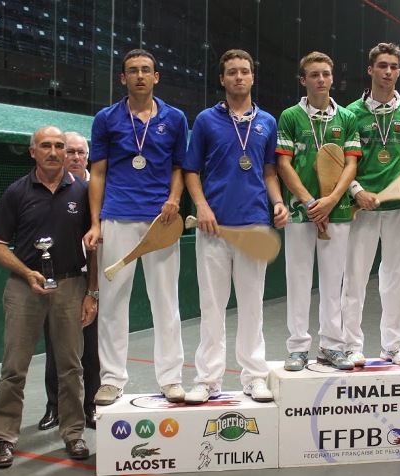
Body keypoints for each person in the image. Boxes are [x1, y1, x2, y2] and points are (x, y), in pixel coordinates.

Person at [183, 49, 288, 404]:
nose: (239, 77)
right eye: (232, 72)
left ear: (252, 77)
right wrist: (202, 207)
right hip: (212, 229)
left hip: (254, 226)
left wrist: (277, 202)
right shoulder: (206, 121)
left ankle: (254, 376)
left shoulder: (267, 123)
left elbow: (270, 171)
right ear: (223, 79)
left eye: (245, 71)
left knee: (252, 305)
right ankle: (208, 380)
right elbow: (191, 171)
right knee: (211, 306)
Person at [83, 49, 188, 405]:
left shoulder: (175, 119)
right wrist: (96, 222)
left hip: (161, 221)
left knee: (166, 302)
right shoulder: (106, 118)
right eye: (132, 70)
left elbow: (179, 168)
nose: (140, 75)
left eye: (146, 70)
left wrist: (174, 199)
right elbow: (97, 173)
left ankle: (171, 378)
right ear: (123, 78)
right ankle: (111, 379)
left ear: (156, 76)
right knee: (113, 302)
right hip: (117, 217)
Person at [0, 126, 96, 467]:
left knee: (71, 368)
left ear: (68, 152)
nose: (53, 151)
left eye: (60, 146)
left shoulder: (84, 192)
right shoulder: (16, 192)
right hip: (24, 288)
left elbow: (95, 247)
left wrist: (91, 292)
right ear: (32, 151)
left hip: (70, 287)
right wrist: (25, 272)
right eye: (45, 145)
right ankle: (5, 438)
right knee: (13, 369)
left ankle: (73, 434)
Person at [341, 42, 400, 368]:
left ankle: (393, 345)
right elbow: (341, 164)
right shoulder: (350, 113)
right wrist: (355, 191)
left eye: (394, 66)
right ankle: (351, 346)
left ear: (399, 70)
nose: (388, 72)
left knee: (397, 278)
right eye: (382, 66)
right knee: (355, 279)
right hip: (362, 208)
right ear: (370, 69)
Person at [276, 51, 361, 371]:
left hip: (337, 212)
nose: (321, 79)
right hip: (300, 212)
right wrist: (311, 202)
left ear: (332, 78)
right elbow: (283, 163)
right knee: (297, 278)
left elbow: (352, 163)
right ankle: (298, 347)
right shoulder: (289, 116)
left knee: (333, 280)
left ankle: (332, 346)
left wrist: (331, 200)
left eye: (326, 74)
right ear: (303, 80)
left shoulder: (347, 118)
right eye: (314, 74)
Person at [38, 132, 100, 431]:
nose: (74, 157)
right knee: (55, 349)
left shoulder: (96, 190)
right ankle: (55, 407)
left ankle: (90, 407)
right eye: (70, 151)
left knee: (90, 350)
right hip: (59, 282)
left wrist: (94, 289)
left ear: (88, 157)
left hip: (91, 284)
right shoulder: (55, 190)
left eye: (80, 153)